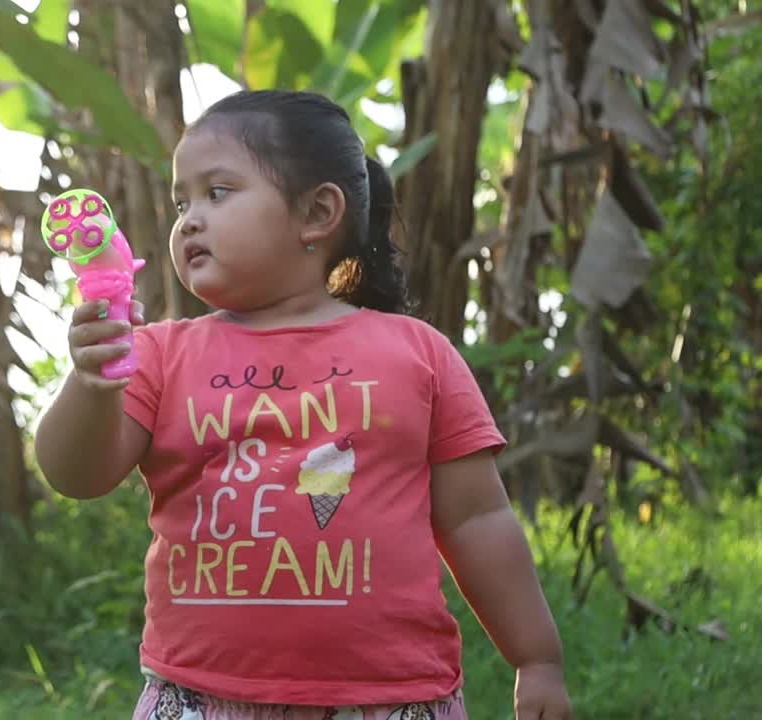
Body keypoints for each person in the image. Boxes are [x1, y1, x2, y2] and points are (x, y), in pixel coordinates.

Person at [33, 89, 572, 720]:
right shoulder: (158, 353)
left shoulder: (418, 353)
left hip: (390, 699)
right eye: (182, 203)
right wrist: (91, 382)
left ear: (317, 213)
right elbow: (77, 476)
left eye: (217, 192)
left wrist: (537, 658)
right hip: (198, 698)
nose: (189, 221)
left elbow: (477, 518)